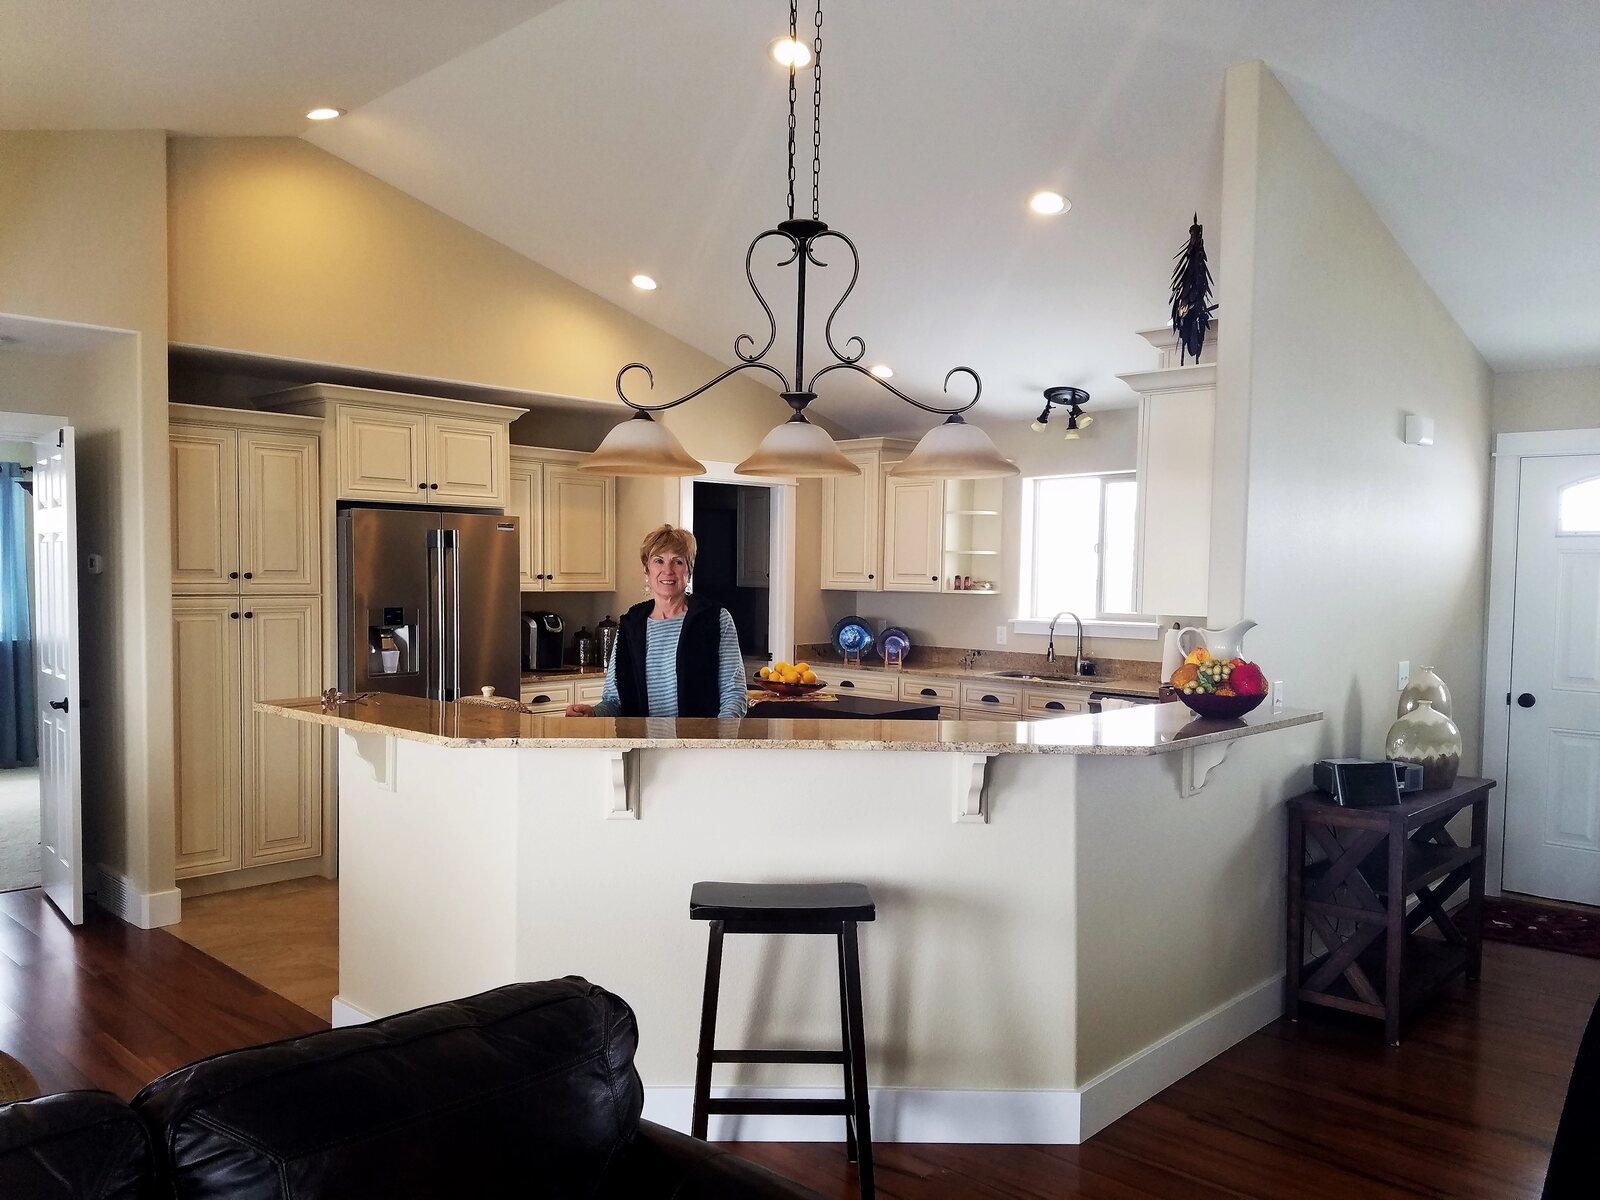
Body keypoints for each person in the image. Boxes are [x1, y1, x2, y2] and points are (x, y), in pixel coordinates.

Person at [566, 524, 748, 718]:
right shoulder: (630, 625)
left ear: (689, 570)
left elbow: (734, 695)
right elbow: (614, 701)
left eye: (677, 562)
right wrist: (593, 713)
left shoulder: (716, 619)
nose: (667, 570)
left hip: (699, 743)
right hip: (642, 745)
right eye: (658, 561)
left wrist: (715, 741)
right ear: (647, 570)